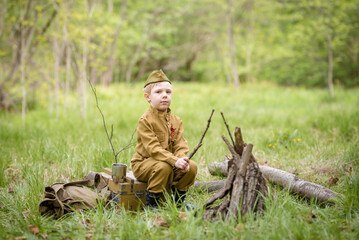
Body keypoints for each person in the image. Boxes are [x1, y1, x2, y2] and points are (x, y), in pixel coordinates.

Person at [131, 69, 197, 208]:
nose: (164, 96)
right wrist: (174, 161)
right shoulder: (146, 120)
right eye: (158, 92)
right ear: (147, 97)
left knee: (191, 167)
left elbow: (180, 145)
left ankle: (178, 201)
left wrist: (182, 160)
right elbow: (153, 149)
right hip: (144, 164)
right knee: (163, 167)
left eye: (168, 92)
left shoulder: (176, 120)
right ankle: (153, 203)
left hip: (169, 163)